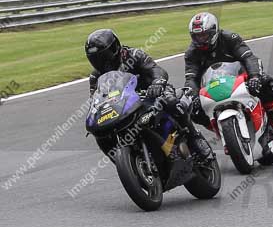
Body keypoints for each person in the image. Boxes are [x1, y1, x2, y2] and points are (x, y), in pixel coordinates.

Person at [85, 29, 212, 158]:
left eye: (104, 56)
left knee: (171, 102)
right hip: (125, 105)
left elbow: (156, 70)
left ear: (115, 48)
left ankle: (195, 138)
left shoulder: (133, 55)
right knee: (100, 133)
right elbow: (96, 99)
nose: (101, 62)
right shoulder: (96, 76)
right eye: (96, 59)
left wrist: (157, 83)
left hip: (152, 92)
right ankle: (122, 159)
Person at [183, 13, 273, 163]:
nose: (201, 40)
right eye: (197, 36)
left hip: (240, 77)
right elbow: (191, 78)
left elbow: (248, 57)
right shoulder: (191, 53)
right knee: (192, 109)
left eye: (204, 35)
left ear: (214, 32)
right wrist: (192, 96)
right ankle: (224, 132)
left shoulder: (229, 38)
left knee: (267, 81)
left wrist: (255, 77)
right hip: (212, 85)